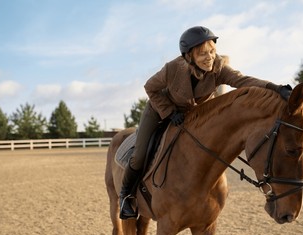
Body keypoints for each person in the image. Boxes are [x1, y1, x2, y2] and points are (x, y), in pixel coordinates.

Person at [119, 26, 292, 219]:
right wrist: (168, 112)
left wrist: (276, 88)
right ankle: (125, 196)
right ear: (189, 56)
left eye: (212, 51)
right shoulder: (172, 68)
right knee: (140, 154)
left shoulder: (218, 69)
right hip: (159, 110)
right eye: (203, 54)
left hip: (190, 115)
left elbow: (243, 81)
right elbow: (150, 88)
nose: (209, 57)